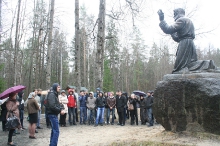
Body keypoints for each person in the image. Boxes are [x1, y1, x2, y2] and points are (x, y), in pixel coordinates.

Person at [157, 8, 217, 73]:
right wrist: (172, 33)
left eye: (174, 14)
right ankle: (208, 64)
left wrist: (162, 20)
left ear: (177, 13)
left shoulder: (181, 20)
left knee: (179, 68)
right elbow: (177, 38)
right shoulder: (188, 21)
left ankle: (208, 64)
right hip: (190, 43)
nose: (173, 16)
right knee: (190, 64)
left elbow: (168, 29)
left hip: (185, 44)